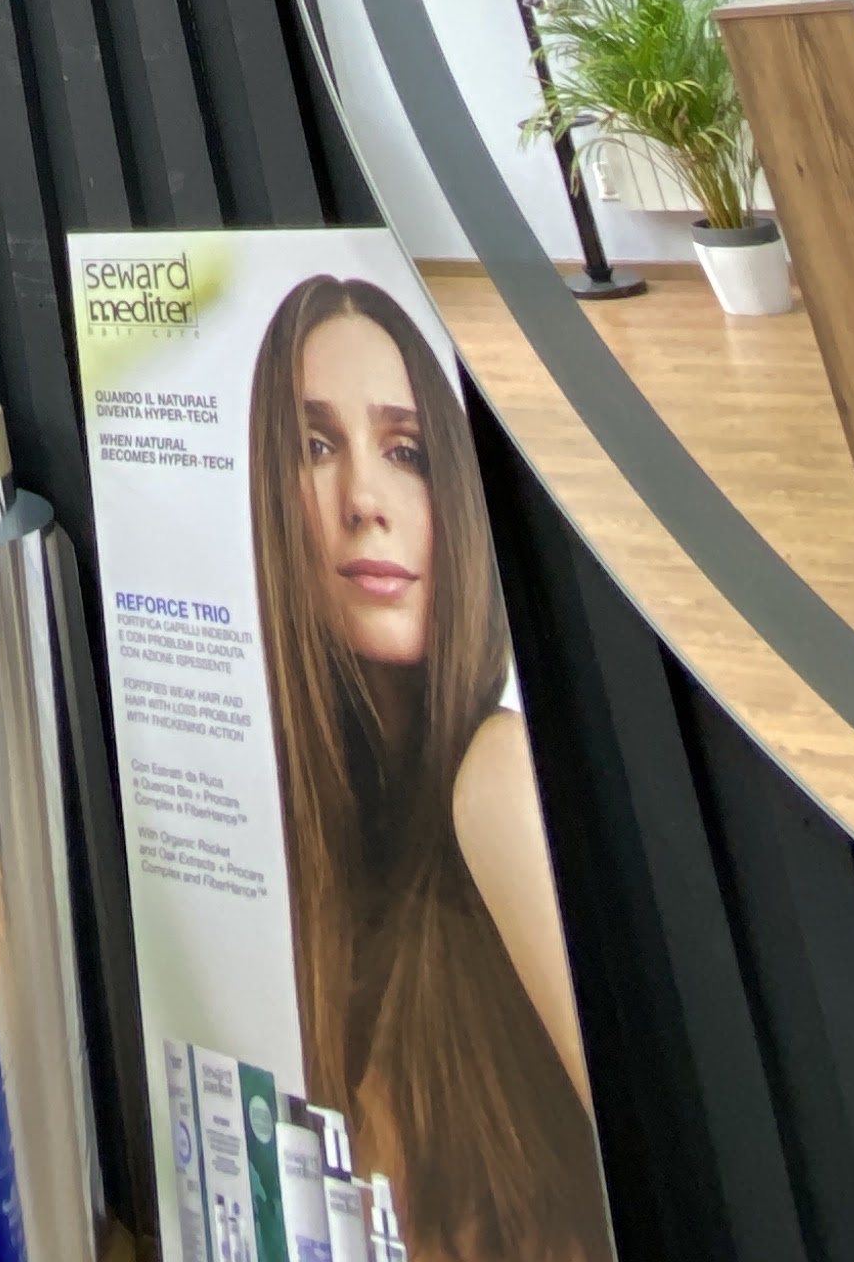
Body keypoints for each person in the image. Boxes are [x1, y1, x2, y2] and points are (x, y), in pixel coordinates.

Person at [249, 276, 611, 1262]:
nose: (364, 502)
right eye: (316, 446)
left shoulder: (500, 780)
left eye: (405, 451)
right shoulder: (314, 888)